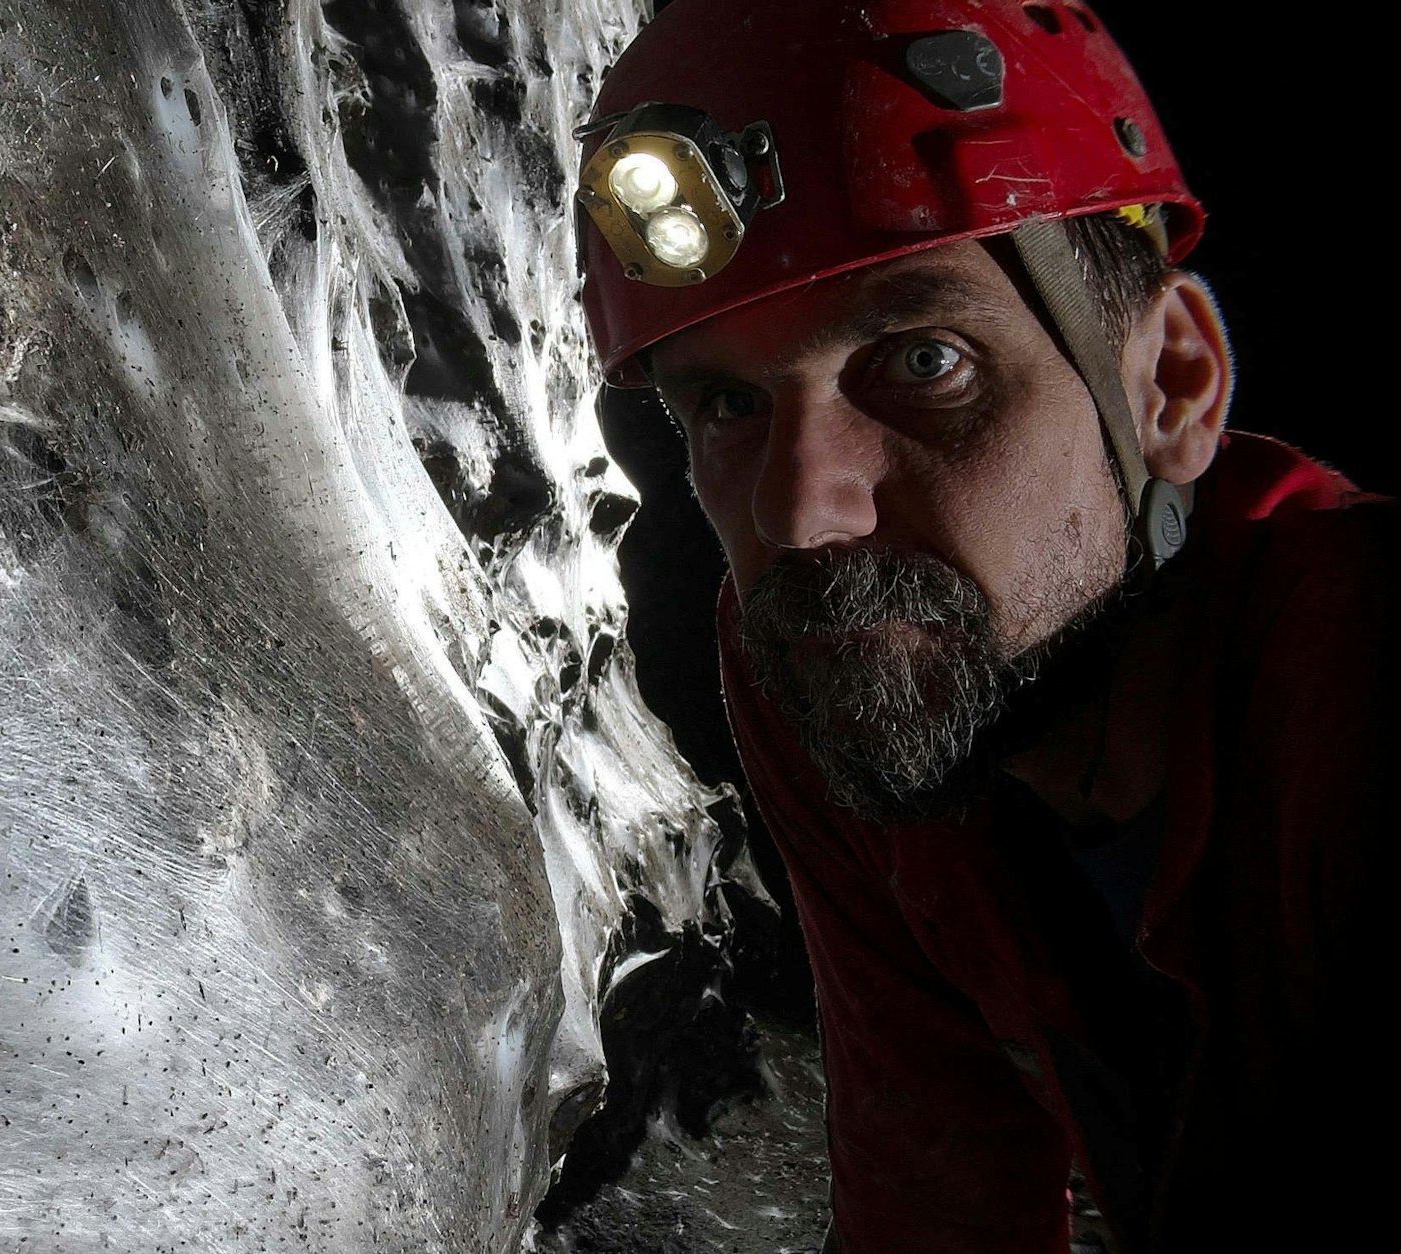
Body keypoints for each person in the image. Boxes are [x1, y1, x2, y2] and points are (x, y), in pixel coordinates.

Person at [574, 1, 1391, 1250]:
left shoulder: (1355, 684)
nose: (800, 514)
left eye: (921, 363)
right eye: (729, 404)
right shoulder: (844, 659)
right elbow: (931, 1179)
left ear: (1168, 386)